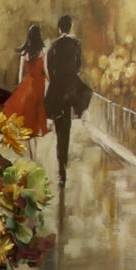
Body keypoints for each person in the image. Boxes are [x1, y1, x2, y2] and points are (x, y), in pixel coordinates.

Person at [42, 13, 88, 185]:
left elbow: (50, 67)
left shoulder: (54, 46)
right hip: (71, 86)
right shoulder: (76, 44)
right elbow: (78, 65)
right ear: (70, 27)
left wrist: (55, 81)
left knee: (60, 124)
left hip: (58, 87)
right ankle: (64, 160)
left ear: (59, 28)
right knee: (66, 126)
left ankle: (61, 164)